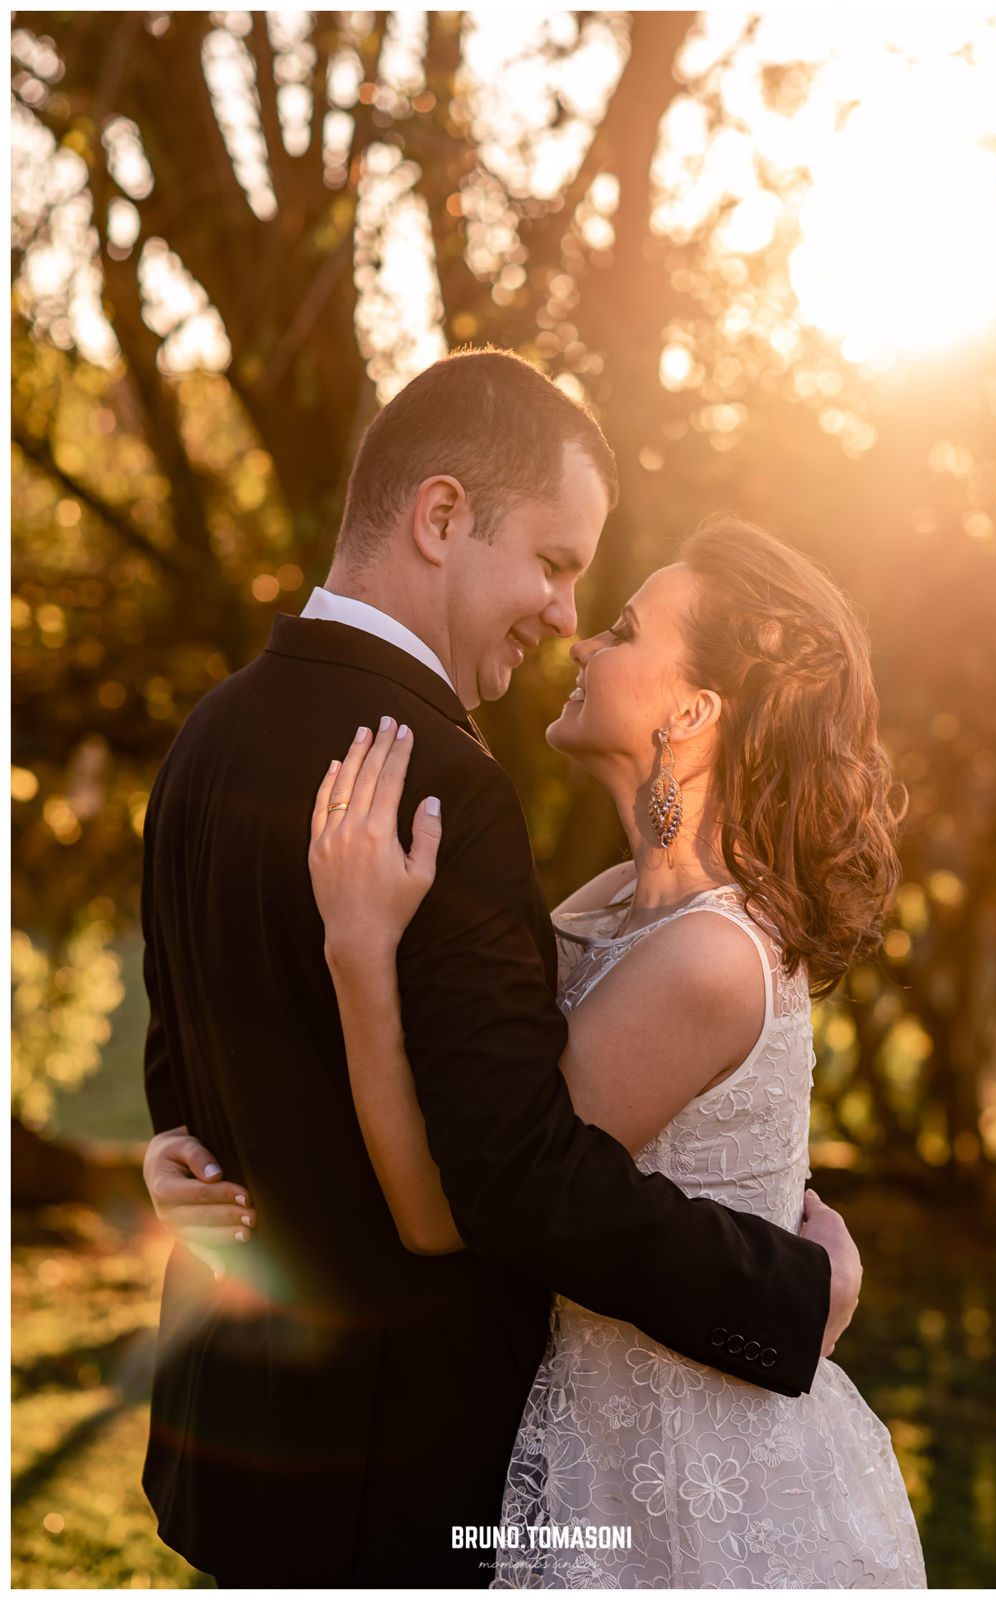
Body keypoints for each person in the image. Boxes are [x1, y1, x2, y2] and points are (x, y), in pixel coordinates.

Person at [139, 349, 860, 1588]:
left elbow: (186, 1055)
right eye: (555, 562)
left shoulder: (208, 735)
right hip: (398, 1483)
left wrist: (172, 1152)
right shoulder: (437, 782)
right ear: (439, 516)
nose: (564, 617)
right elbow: (513, 1172)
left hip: (230, 1452)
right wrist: (790, 1288)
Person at [293, 514, 925, 1587]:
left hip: (687, 1473)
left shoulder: (707, 960)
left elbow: (451, 1205)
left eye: (625, 628)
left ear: (692, 710)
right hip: (606, 1427)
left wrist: (358, 953)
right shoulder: (611, 906)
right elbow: (470, 1112)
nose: (582, 642)